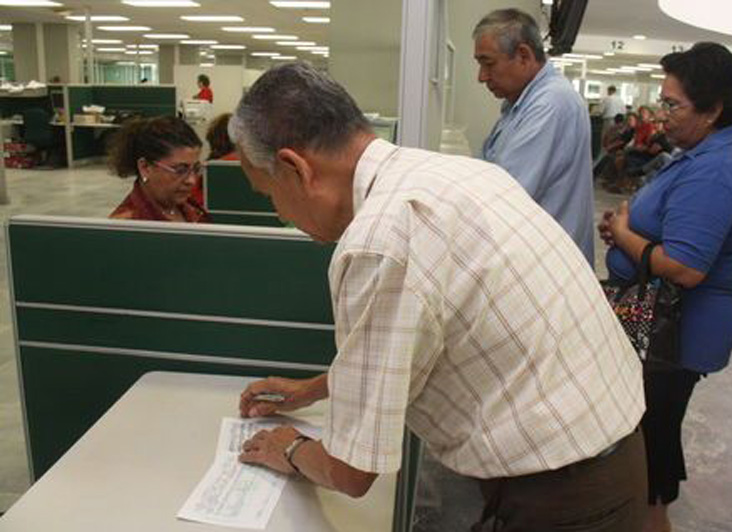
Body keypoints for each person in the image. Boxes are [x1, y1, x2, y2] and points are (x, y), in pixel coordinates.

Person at [231, 63, 647, 530]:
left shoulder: (379, 240)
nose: (281, 215)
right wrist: (314, 389)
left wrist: (288, 448)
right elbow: (422, 340)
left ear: (294, 168)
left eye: (269, 194)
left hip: (563, 496)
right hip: (610, 454)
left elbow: (350, 472)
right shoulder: (454, 174)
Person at [599, 42, 732, 532]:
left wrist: (628, 237)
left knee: (652, 446)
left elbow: (685, 267)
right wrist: (629, 235)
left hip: (674, 332)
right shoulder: (702, 152)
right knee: (651, 436)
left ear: (714, 109)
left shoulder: (717, 170)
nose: (663, 114)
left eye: (674, 105)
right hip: (662, 323)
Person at [474, 8, 595, 266]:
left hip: (548, 265)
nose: (481, 77)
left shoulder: (550, 103)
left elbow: (503, 195)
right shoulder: (518, 103)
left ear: (523, 55)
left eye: (488, 63)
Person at [108, 116, 210, 222]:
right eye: (180, 170)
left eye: (196, 169)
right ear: (145, 167)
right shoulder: (128, 226)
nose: (192, 181)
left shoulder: (191, 206)